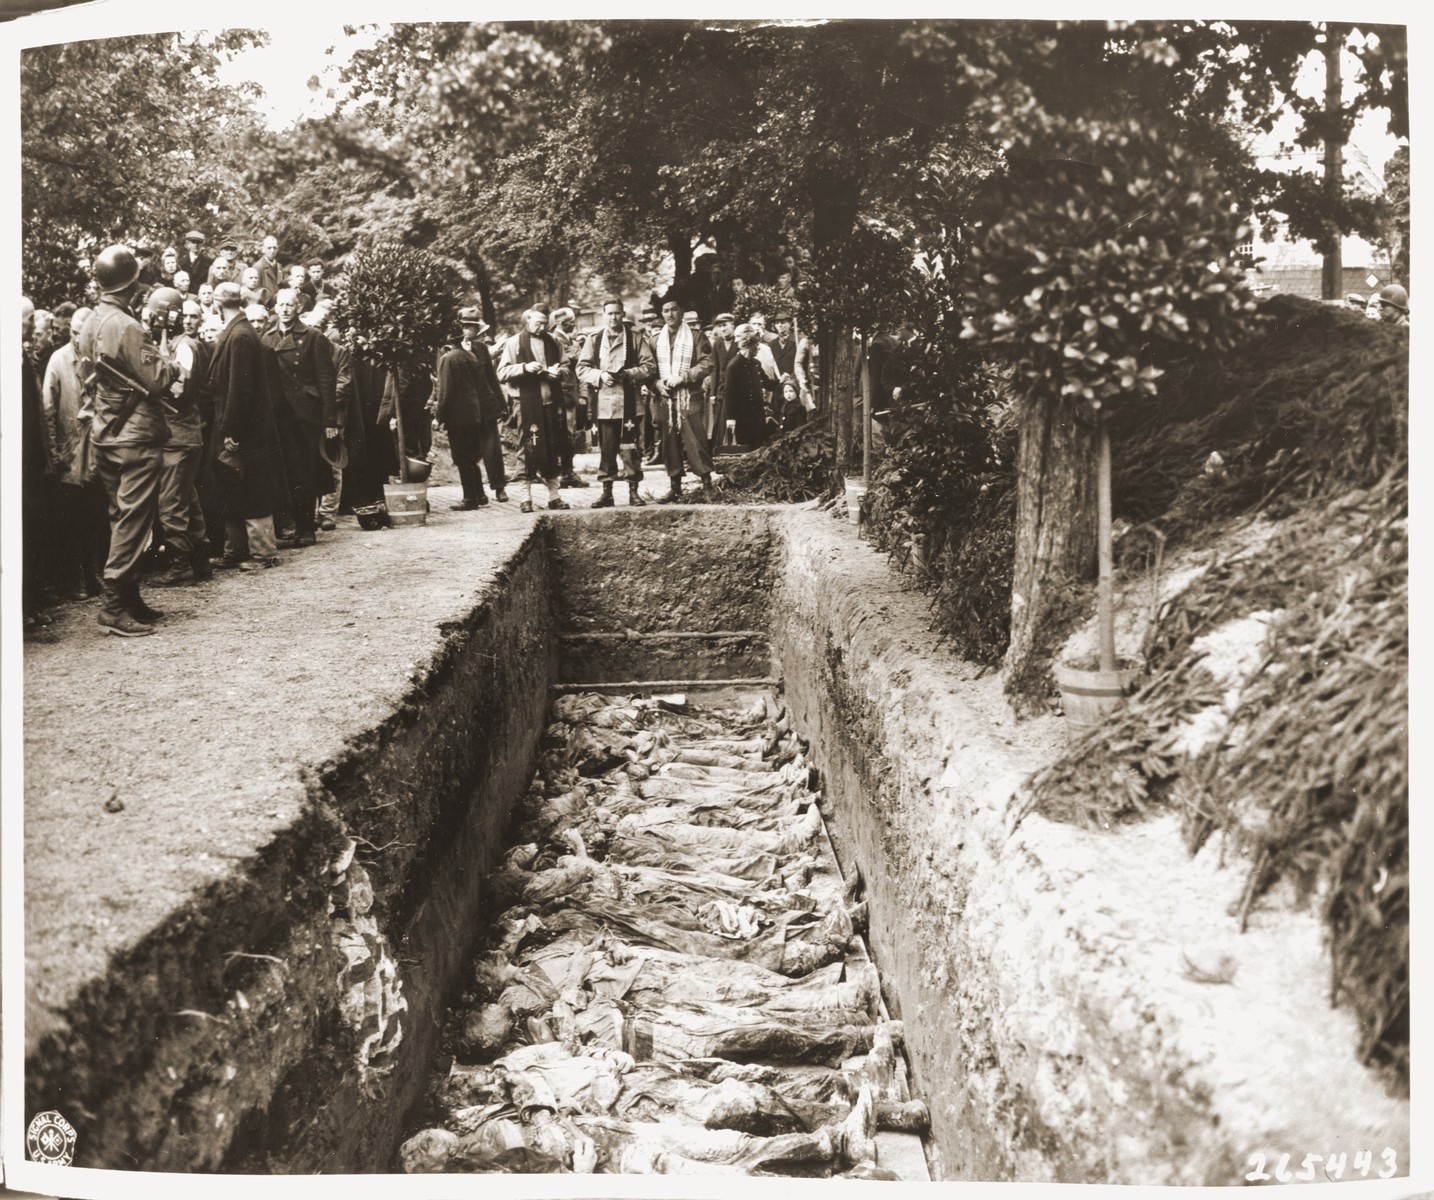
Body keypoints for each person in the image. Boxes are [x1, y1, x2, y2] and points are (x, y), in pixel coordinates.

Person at [75, 244, 181, 635]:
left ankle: (130, 597)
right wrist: (168, 363)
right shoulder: (127, 326)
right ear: (130, 283)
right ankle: (114, 606)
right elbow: (156, 380)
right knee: (133, 521)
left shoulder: (90, 322)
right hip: (135, 435)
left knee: (122, 516)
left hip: (106, 433)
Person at [206, 282, 285, 571]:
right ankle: (235, 551)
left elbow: (240, 389)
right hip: (241, 425)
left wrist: (231, 430)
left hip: (245, 430)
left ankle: (263, 554)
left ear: (217, 304)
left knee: (254, 490)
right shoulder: (239, 331)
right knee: (235, 488)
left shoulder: (239, 335)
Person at [261, 287, 339, 547]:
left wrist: (329, 420)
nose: (284, 309)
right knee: (283, 473)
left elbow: (327, 380)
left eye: (289, 305)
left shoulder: (313, 337)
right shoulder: (267, 337)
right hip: (279, 416)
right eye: (280, 305)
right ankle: (288, 525)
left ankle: (306, 527)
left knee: (305, 472)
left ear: (298, 308)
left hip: (305, 415)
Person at [42, 305, 108, 597]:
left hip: (96, 451)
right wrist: (55, 453)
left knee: (95, 515)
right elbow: (47, 409)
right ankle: (78, 579)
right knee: (72, 519)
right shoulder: (58, 360)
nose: (80, 339)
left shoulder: (98, 361)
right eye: (76, 333)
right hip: (69, 454)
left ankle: (94, 573)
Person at [151, 293, 214, 585]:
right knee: (187, 498)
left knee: (171, 501)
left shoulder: (185, 347)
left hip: (179, 435)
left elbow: (178, 390)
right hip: (182, 434)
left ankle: (181, 565)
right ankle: (201, 562)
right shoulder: (178, 345)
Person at [577, 298, 657, 508]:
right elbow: (582, 368)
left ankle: (633, 491)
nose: (614, 317)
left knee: (630, 449)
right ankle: (607, 492)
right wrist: (600, 375)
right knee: (607, 450)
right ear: (604, 315)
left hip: (629, 405)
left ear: (623, 315)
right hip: (603, 406)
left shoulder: (635, 338)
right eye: (610, 313)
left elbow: (649, 366)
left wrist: (628, 374)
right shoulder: (593, 340)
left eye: (617, 313)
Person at [434, 307, 510, 509]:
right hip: (465, 409)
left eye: (475, 328)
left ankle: (494, 487)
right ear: (462, 328)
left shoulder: (481, 349)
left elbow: (491, 379)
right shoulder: (448, 351)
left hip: (485, 406)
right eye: (469, 327)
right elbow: (445, 384)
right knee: (470, 453)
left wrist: (502, 404)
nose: (473, 332)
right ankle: (477, 495)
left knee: (487, 449)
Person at [497, 308, 571, 513]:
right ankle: (525, 497)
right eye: (538, 322)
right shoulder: (514, 343)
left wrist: (559, 373)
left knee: (552, 448)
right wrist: (523, 368)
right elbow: (501, 372)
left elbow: (566, 366)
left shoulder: (554, 341)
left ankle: (554, 496)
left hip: (551, 404)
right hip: (527, 406)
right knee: (527, 448)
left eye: (545, 323)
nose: (542, 327)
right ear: (527, 320)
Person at [651, 299, 715, 502]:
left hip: (690, 396)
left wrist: (684, 377)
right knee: (669, 442)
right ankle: (675, 486)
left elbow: (707, 363)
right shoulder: (654, 340)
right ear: (662, 314)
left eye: (674, 310)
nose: (670, 315)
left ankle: (707, 484)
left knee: (695, 439)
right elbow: (649, 368)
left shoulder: (696, 337)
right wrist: (657, 384)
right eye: (666, 311)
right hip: (666, 398)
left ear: (682, 312)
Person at [548, 306, 586, 488]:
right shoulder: (557, 339)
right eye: (570, 321)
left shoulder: (567, 338)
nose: (573, 324)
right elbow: (576, 357)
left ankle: (566, 471)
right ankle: (566, 472)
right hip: (564, 393)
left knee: (569, 434)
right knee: (566, 434)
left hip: (570, 392)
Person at [723, 323, 776, 449]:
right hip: (743, 416)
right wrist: (730, 418)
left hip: (757, 414)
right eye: (756, 346)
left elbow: (767, 383)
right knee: (746, 447)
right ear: (748, 346)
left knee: (759, 446)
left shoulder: (756, 364)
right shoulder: (734, 366)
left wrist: (783, 382)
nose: (758, 348)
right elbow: (729, 394)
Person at [253, 234, 282, 299]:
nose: (272, 251)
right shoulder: (258, 267)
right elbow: (256, 292)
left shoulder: (279, 266)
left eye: (274, 248)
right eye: (269, 248)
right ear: (263, 249)